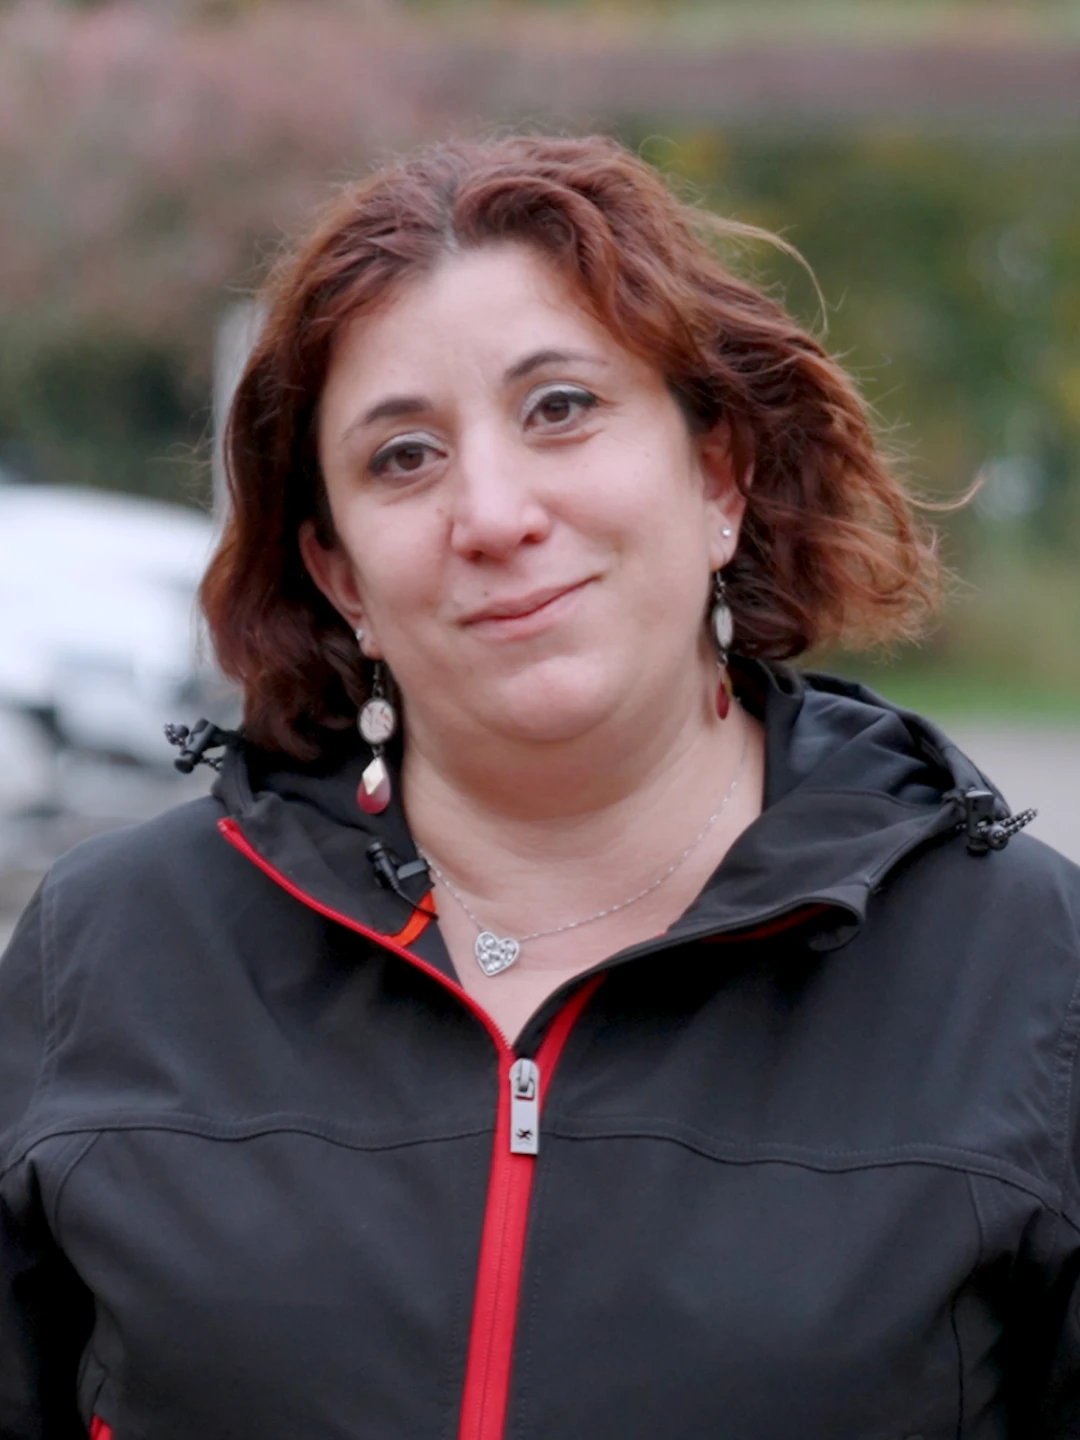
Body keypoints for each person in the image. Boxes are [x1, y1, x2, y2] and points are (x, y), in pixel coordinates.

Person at [2, 133, 1079, 1440]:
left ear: (717, 474)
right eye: (403, 456)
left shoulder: (1023, 971)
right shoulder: (111, 951)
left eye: (559, 407)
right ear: (343, 577)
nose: (494, 512)